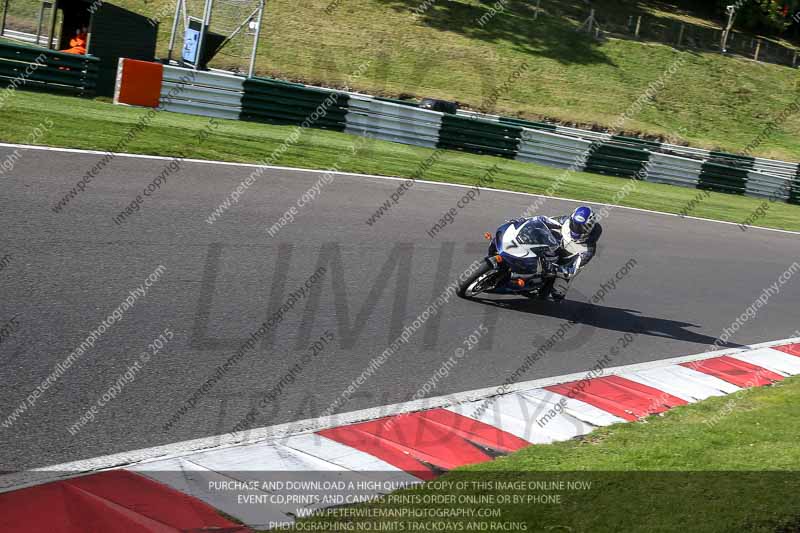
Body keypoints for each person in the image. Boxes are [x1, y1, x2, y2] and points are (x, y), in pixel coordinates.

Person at [514, 206, 602, 301]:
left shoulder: (588, 250)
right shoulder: (565, 221)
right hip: (551, 247)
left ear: (589, 227)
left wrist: (555, 268)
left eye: (581, 227)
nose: (576, 229)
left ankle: (533, 284)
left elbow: (573, 270)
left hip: (563, 264)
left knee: (558, 293)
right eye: (574, 224)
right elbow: (543, 220)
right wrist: (525, 221)